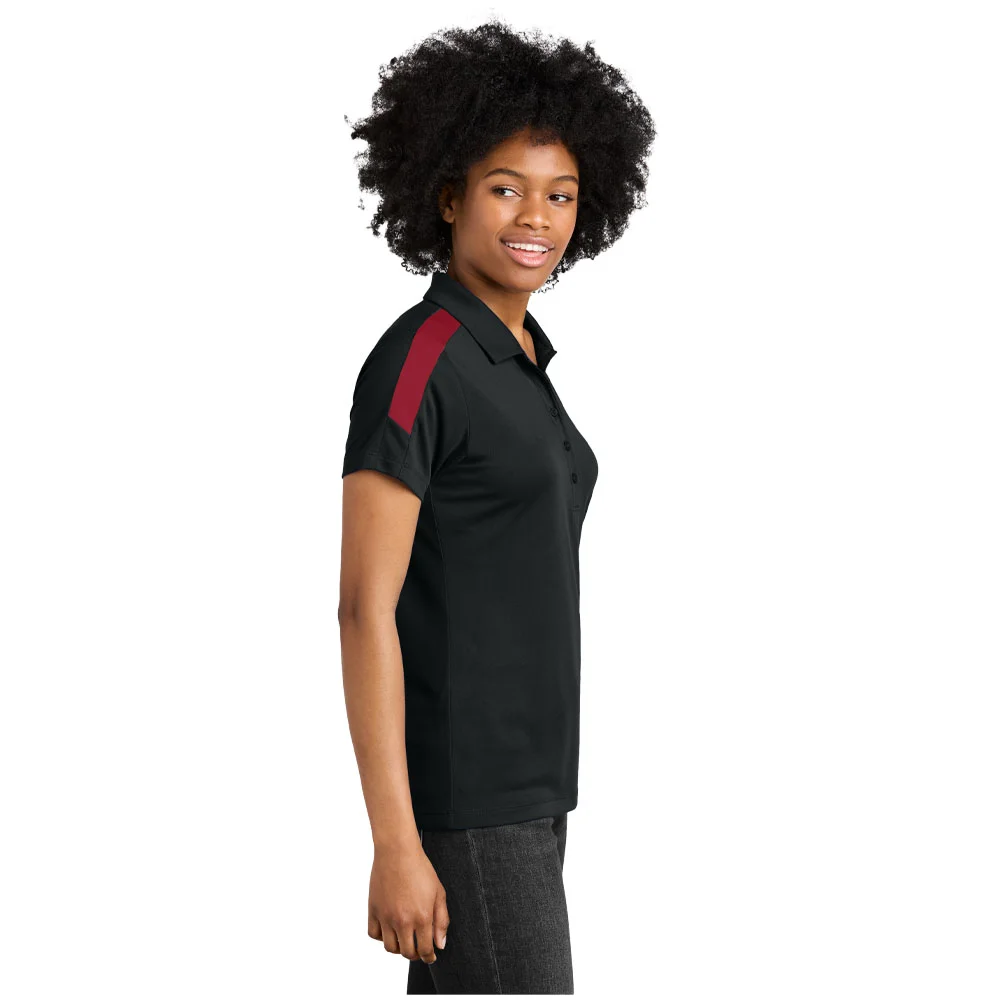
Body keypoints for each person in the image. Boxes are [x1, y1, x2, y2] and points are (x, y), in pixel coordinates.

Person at [339, 19, 654, 994]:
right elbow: (363, 607)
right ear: (448, 195)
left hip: (536, 783)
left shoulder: (520, 357)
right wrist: (396, 841)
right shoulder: (421, 359)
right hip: (469, 792)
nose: (537, 217)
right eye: (506, 188)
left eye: (561, 194)